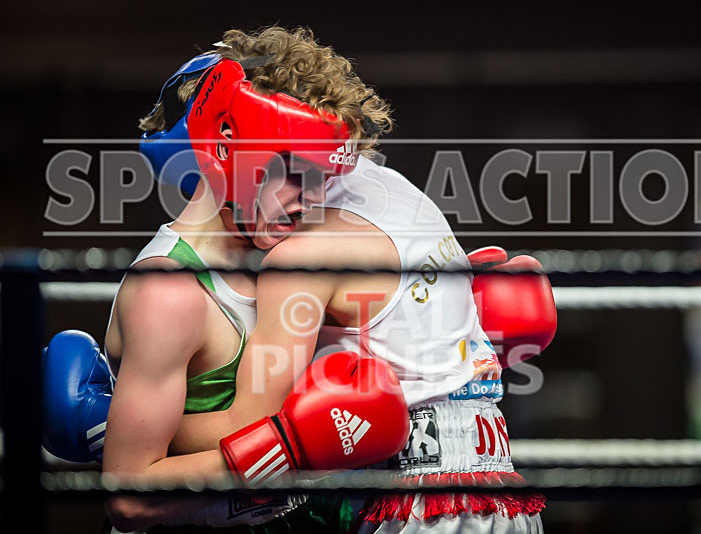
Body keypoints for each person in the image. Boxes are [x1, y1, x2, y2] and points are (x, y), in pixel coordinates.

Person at [44, 26, 558, 533]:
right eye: (293, 170)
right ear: (226, 148)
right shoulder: (171, 291)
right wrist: (290, 441)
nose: (315, 195)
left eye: (328, 173)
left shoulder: (331, 210)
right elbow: (131, 499)